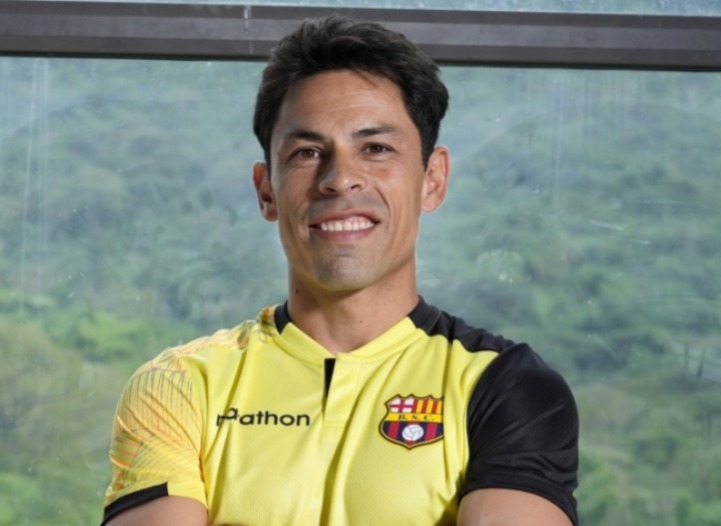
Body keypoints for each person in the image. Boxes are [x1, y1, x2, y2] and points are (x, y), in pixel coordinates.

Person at [102, 14, 578, 526]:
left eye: (376, 148)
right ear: (267, 191)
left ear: (432, 180)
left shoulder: (506, 386)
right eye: (307, 152)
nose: (340, 179)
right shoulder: (178, 385)